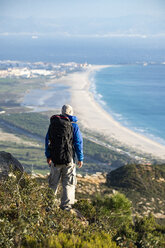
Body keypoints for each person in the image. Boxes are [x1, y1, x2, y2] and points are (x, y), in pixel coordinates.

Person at [45, 104, 83, 211]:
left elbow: (47, 140)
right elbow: (78, 143)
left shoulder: (53, 124)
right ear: (71, 113)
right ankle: (66, 206)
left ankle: (49, 205)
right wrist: (80, 158)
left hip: (55, 159)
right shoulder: (74, 126)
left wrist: (48, 156)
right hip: (69, 159)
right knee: (68, 183)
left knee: (53, 183)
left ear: (61, 112)